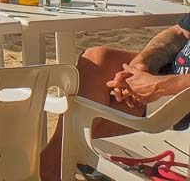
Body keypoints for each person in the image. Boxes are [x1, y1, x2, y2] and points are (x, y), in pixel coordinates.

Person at [39, 14, 190, 180]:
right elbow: (180, 33)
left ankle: (47, 168)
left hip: (181, 104)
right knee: (97, 59)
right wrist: (142, 62)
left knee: (82, 120)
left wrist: (159, 86)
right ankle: (53, 165)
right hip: (167, 82)